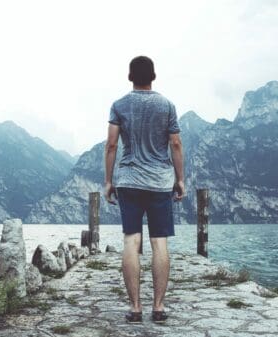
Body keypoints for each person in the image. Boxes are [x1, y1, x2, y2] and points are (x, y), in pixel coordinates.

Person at [104, 55, 185, 324]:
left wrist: (108, 181)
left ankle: (135, 308)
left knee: (131, 241)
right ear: (154, 76)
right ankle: (158, 307)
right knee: (159, 243)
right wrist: (180, 179)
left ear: (130, 76)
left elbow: (112, 145)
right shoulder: (167, 105)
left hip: (129, 181)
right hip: (160, 183)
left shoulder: (119, 105)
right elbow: (175, 145)